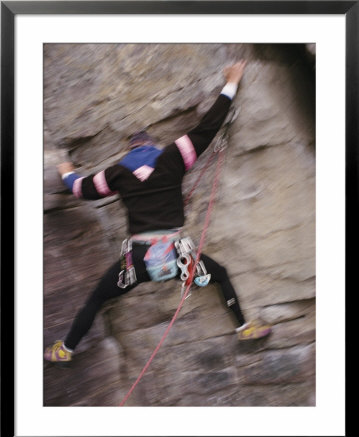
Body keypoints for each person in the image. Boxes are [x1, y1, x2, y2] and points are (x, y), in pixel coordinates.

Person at [44, 61, 271, 364]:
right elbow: (209, 126)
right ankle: (243, 327)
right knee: (220, 274)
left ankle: (65, 349)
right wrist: (231, 82)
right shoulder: (172, 157)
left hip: (136, 262)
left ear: (131, 152)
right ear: (152, 146)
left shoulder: (117, 173)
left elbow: (81, 189)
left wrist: (66, 171)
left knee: (98, 298)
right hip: (178, 256)